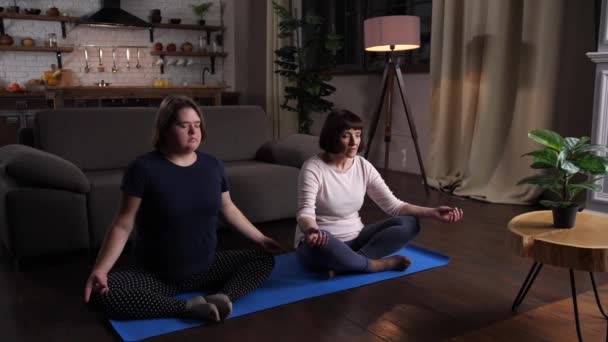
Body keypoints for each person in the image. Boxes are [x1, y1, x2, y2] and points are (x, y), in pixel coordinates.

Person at [84, 95, 284, 322]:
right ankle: (185, 307)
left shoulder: (213, 165)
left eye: (197, 125)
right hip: (157, 276)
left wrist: (260, 238)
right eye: (184, 125)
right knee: (103, 295)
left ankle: (223, 298)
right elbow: (123, 223)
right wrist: (100, 269)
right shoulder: (142, 169)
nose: (193, 132)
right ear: (165, 128)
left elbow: (228, 209)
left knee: (263, 259)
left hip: (205, 268)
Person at [295, 109, 463, 276]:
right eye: (346, 136)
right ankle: (377, 265)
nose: (354, 142)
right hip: (323, 242)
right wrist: (311, 231)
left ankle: (350, 262)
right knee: (321, 243)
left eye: (358, 135)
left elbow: (394, 206)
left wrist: (433, 212)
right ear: (332, 137)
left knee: (410, 223)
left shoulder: (362, 165)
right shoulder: (313, 168)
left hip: (357, 239)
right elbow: (305, 212)